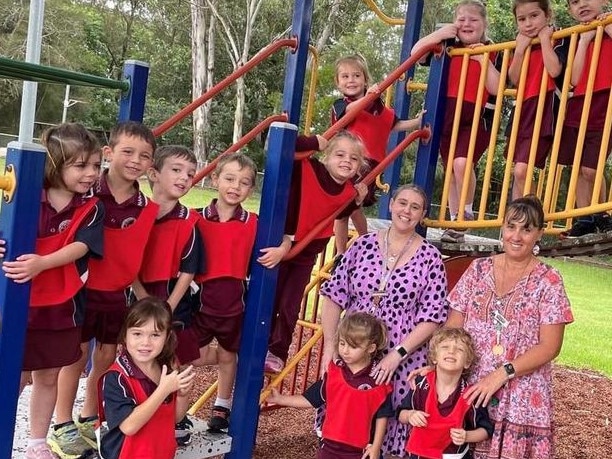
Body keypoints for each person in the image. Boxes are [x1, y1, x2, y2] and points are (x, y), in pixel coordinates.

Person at [53, 121, 158, 457]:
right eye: (127, 152)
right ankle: (61, 423)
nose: (135, 160)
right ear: (109, 153)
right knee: (75, 356)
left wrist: (142, 293)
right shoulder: (88, 192)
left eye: (144, 156)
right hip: (82, 289)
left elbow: (135, 256)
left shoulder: (144, 205)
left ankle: (88, 415)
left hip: (116, 293)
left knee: (107, 355)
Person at [320, 184, 448, 457]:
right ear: (390, 205)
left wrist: (397, 355)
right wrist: (330, 345)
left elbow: (433, 316)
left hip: (401, 356)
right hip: (353, 350)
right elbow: (333, 295)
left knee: (386, 428)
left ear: (423, 214)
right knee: (345, 424)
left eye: (415, 207)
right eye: (402, 203)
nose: (407, 211)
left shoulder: (431, 258)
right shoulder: (362, 245)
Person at [1, 123, 104, 459]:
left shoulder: (90, 207)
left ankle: (36, 441)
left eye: (95, 165)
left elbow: (81, 247)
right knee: (12, 372)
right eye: (81, 166)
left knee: (48, 375)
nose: (90, 173)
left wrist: (42, 262)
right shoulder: (27, 196)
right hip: (20, 302)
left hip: (63, 306)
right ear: (54, 165)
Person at [445, 195, 573, 458]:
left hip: (522, 395)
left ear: (539, 234)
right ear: (502, 228)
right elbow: (453, 328)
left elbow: (550, 346)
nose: (517, 235)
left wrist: (502, 374)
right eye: (511, 226)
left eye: (527, 229)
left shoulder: (549, 280)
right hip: (471, 386)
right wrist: (440, 366)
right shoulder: (477, 270)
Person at [261, 130, 369, 373]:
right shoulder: (306, 167)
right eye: (339, 154)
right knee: (269, 297)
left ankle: (277, 351)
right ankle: (257, 344)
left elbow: (340, 212)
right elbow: (273, 142)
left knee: (290, 304)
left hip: (306, 252)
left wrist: (359, 201)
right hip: (279, 241)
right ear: (325, 157)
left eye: (353, 159)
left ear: (359, 166)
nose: (346, 161)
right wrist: (313, 142)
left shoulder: (349, 192)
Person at [411, 0, 501, 243]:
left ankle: (465, 214)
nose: (466, 23)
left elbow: (498, 88)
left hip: (477, 116)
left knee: (462, 163)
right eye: (461, 19)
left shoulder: (495, 50)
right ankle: (454, 220)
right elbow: (415, 54)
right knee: (451, 167)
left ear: (484, 24)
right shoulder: (447, 45)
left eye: (473, 19)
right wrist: (438, 34)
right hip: (446, 113)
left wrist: (484, 61)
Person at [131, 145, 204, 445]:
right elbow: (127, 262)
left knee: (177, 357)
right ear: (154, 174)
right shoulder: (137, 214)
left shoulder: (189, 220)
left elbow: (189, 270)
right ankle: (136, 408)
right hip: (139, 295)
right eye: (176, 170)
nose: (184, 178)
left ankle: (174, 415)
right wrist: (142, 299)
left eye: (190, 173)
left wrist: (168, 307)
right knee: (140, 353)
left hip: (174, 299)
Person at [191, 153, 258, 432]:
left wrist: (286, 242)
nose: (235, 186)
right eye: (229, 179)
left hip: (234, 302)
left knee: (229, 354)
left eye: (243, 183)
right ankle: (176, 403)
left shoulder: (254, 223)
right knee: (187, 355)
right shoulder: (195, 219)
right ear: (215, 179)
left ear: (251, 189)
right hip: (200, 301)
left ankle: (222, 405)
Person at [331, 54, 424, 254]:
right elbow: (351, 111)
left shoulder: (377, 106)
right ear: (338, 83)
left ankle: (364, 242)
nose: (351, 81)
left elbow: (394, 124)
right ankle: (341, 252)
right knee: (343, 208)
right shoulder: (341, 104)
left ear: (365, 80)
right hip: (346, 163)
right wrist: (368, 97)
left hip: (369, 164)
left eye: (356, 76)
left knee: (354, 206)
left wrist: (417, 122)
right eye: (345, 77)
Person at [267, 312, 394, 459]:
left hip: (360, 451)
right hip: (328, 447)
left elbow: (382, 416)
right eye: (342, 343)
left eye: (353, 346)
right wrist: (280, 399)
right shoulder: (333, 373)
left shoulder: (378, 381)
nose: (345, 351)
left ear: (371, 348)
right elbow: (310, 399)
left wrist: (376, 447)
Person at [97, 297, 195, 459]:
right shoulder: (117, 377)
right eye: (137, 333)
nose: (145, 342)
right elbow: (129, 426)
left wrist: (183, 396)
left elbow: (175, 418)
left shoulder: (167, 368)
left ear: (167, 337)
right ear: (124, 336)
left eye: (155, 335)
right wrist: (163, 391)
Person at [558, 0, 612, 237]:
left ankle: (601, 214)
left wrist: (607, 29)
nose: (581, 5)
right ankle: (584, 218)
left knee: (592, 168)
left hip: (605, 101)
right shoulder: (577, 35)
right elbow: (575, 78)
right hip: (580, 102)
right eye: (573, 2)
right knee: (578, 166)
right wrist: (585, 40)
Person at [398, 327, 493, 459]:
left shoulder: (471, 395)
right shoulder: (420, 383)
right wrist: (410, 415)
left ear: (467, 362)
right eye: (445, 347)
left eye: (459, 349)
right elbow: (400, 414)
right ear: (434, 357)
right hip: (419, 455)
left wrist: (466, 436)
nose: (451, 351)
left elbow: (486, 430)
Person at [506, 0, 567, 200]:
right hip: (523, 107)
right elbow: (514, 79)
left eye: (534, 16)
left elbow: (554, 70)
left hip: (545, 107)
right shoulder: (522, 44)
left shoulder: (558, 37)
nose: (529, 23)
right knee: (518, 171)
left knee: (522, 170)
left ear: (547, 15)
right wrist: (520, 50)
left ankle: (531, 220)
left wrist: (544, 41)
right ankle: (518, 219)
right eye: (522, 19)